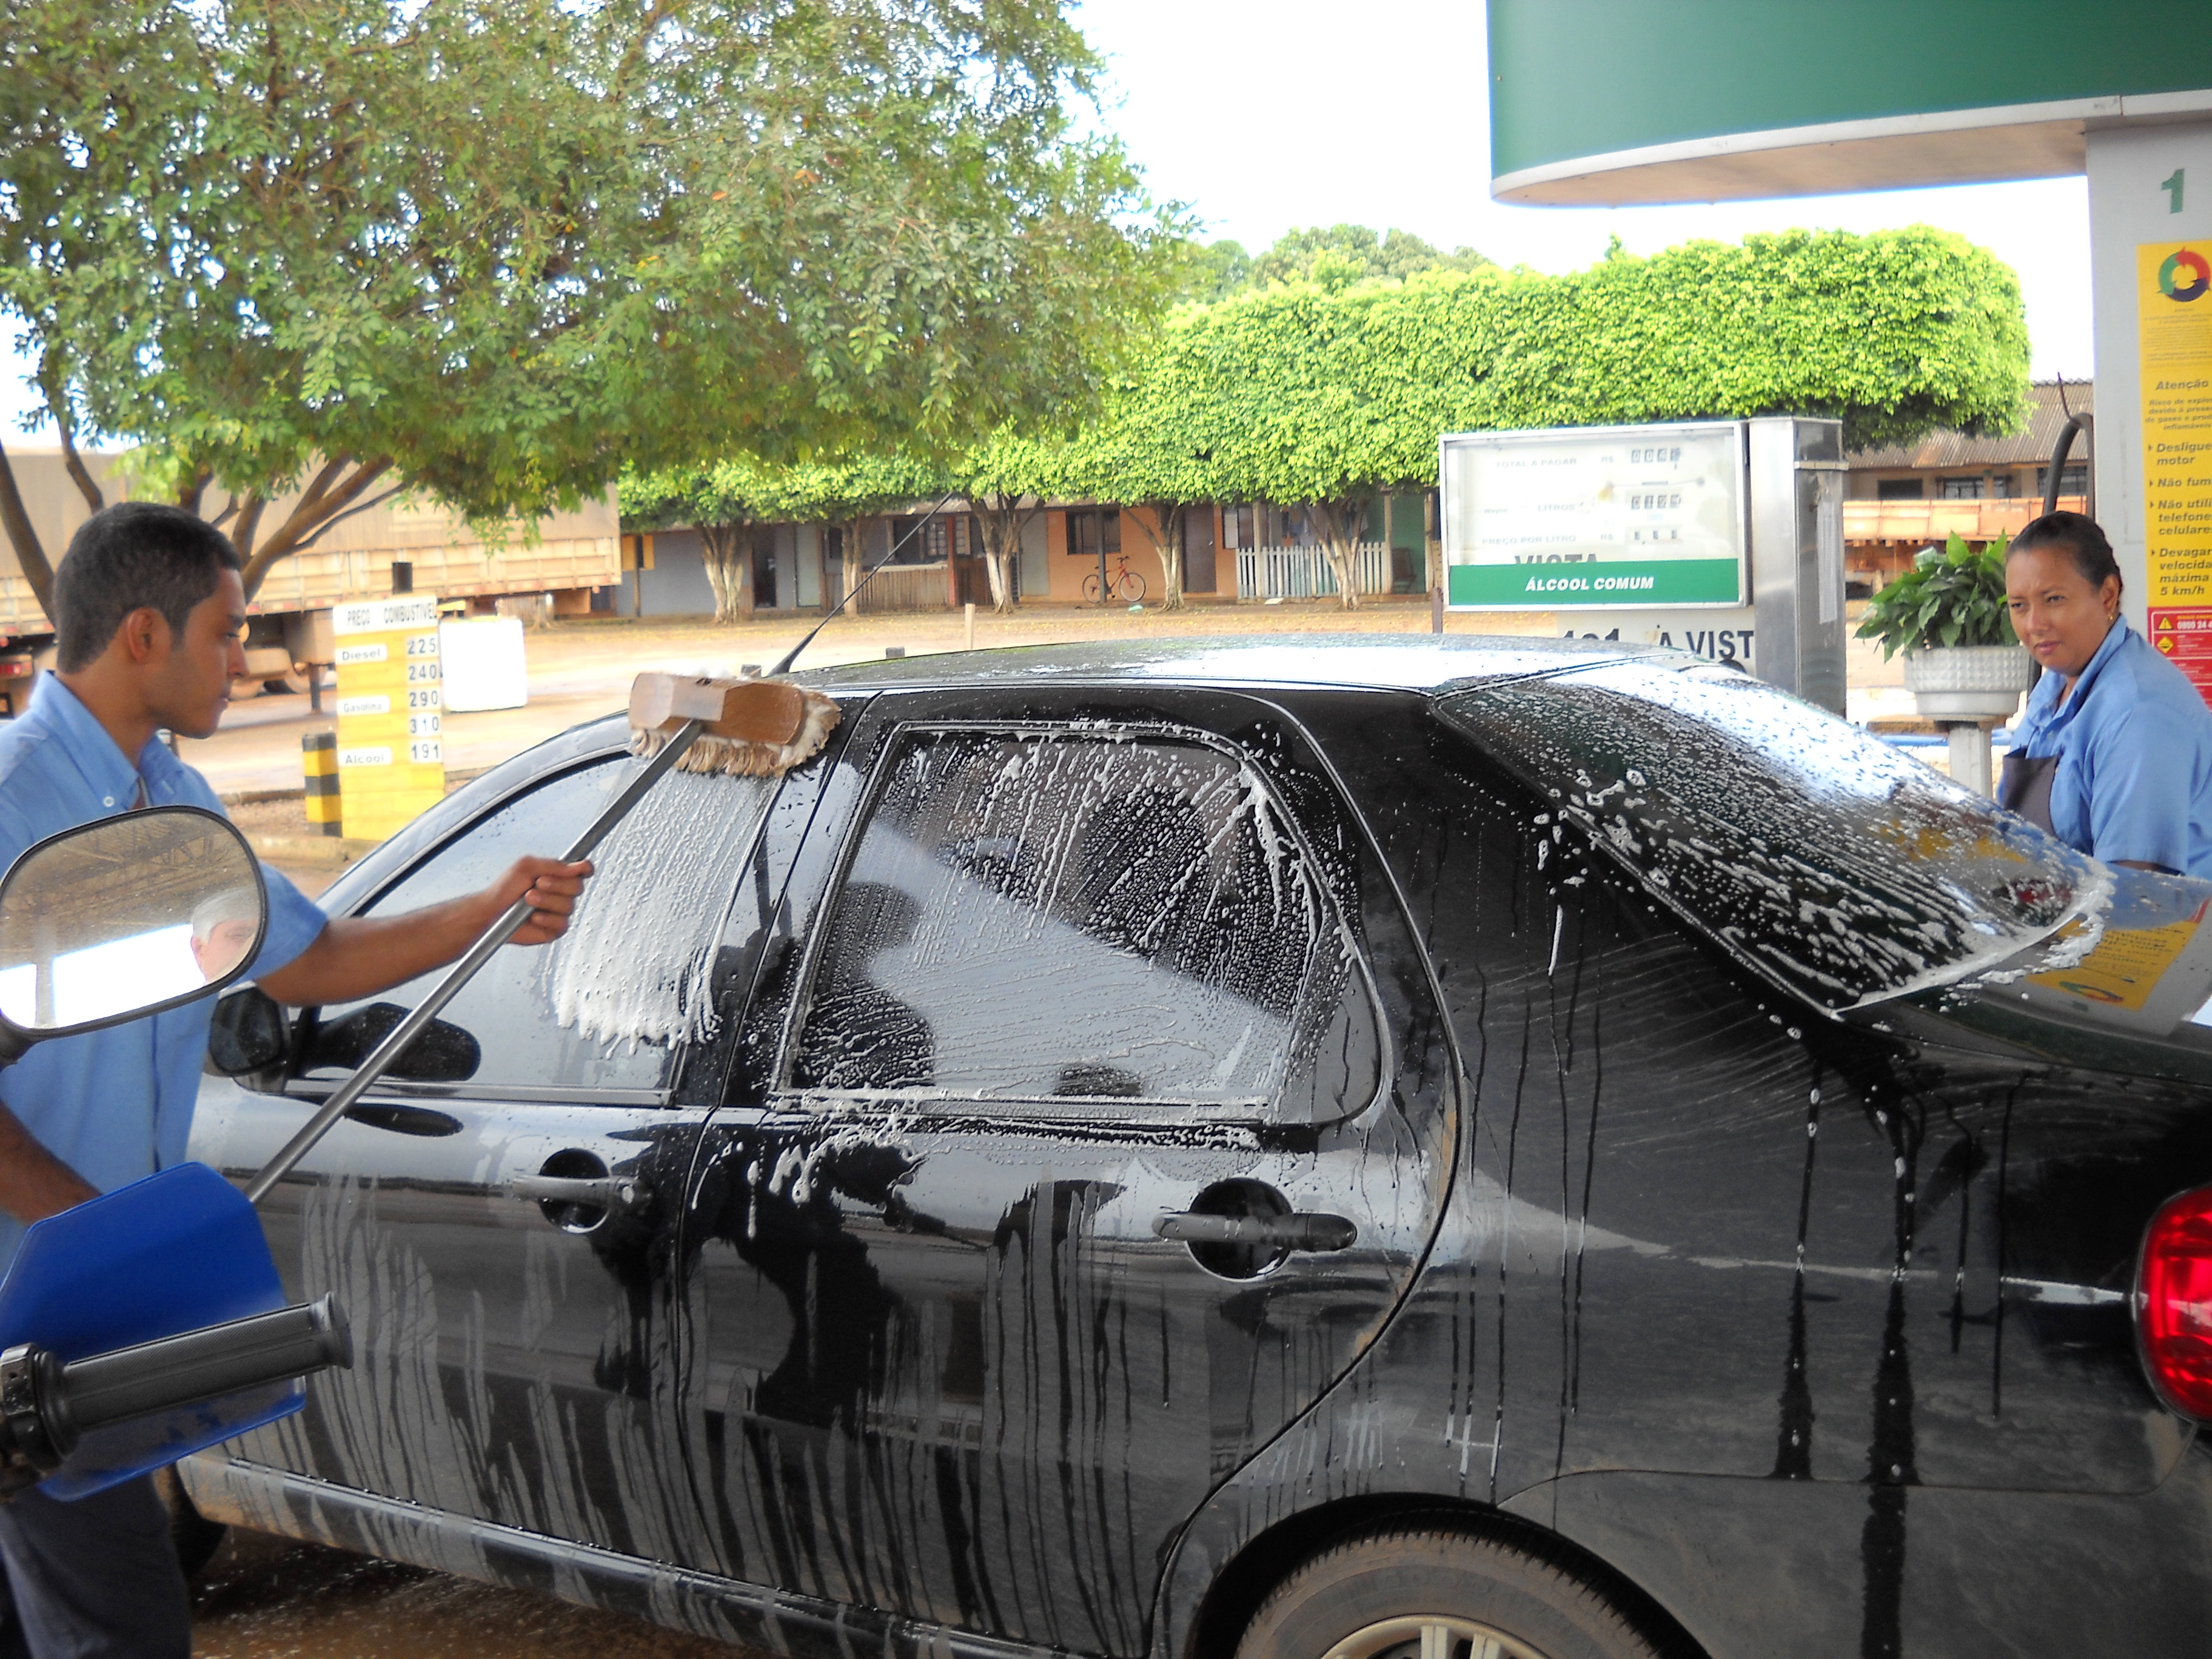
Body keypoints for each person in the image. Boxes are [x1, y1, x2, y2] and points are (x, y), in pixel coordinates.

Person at [0, 502, 592, 1657]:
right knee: (117, 1624)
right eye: (226, 635)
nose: (246, 662)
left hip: (85, 1302)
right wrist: (108, 1237)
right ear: (140, 638)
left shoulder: (171, 801)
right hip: (27, 1311)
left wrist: (489, 910)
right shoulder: (12, 804)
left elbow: (308, 954)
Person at [2003, 510, 2212, 877]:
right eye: (2019, 606)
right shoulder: (2054, 686)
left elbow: (2133, 890)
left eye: (2053, 599)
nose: (2034, 624)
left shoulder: (2139, 712)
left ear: (2108, 596)